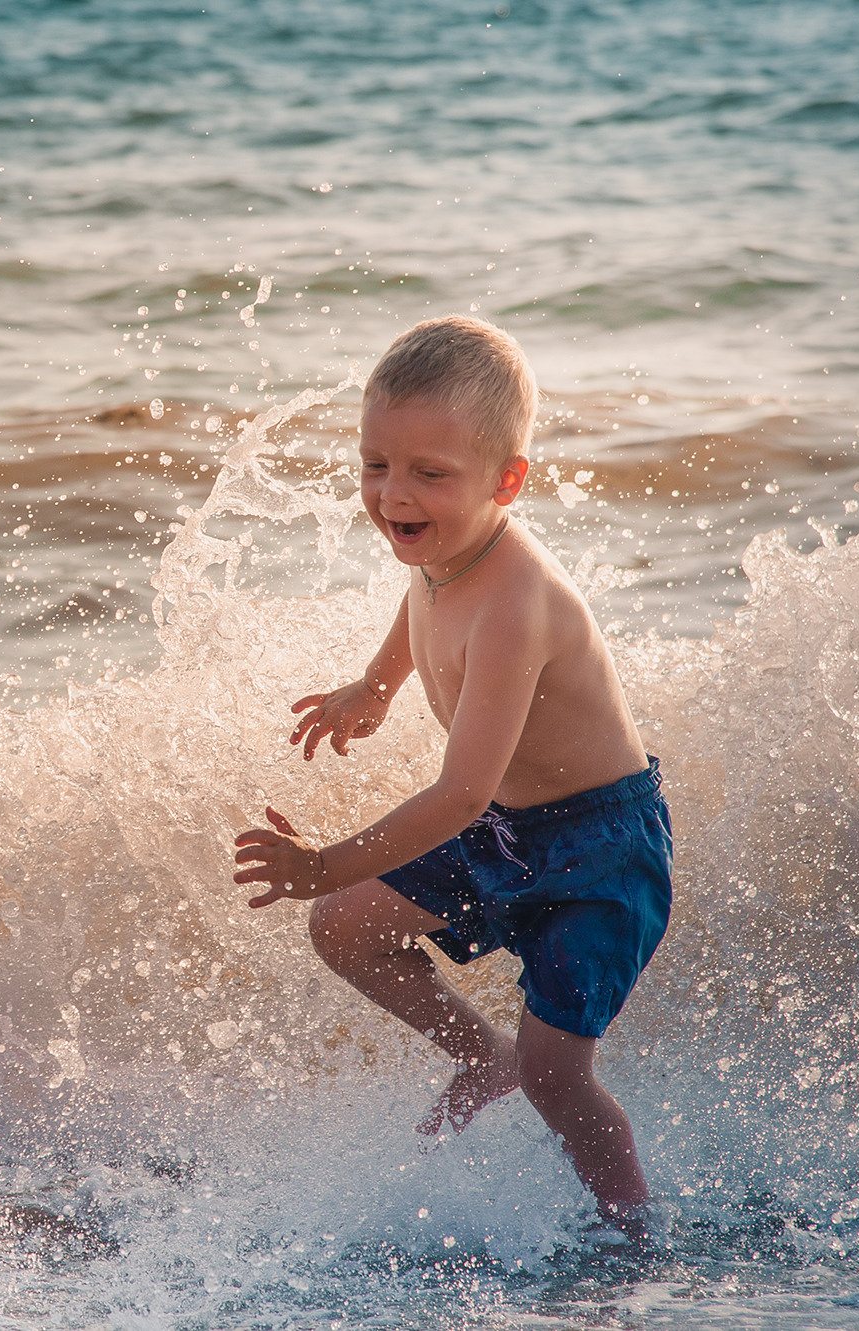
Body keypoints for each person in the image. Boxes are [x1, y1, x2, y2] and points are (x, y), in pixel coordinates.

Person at [232, 316, 672, 1224]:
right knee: (343, 927)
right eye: (376, 464)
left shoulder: (518, 603)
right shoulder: (441, 540)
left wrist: (324, 863)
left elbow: (460, 794)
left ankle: (632, 1223)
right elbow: (424, 599)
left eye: (428, 473)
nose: (394, 493)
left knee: (556, 1075)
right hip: (511, 828)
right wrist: (376, 684)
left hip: (600, 850)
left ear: (506, 481)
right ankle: (481, 1054)